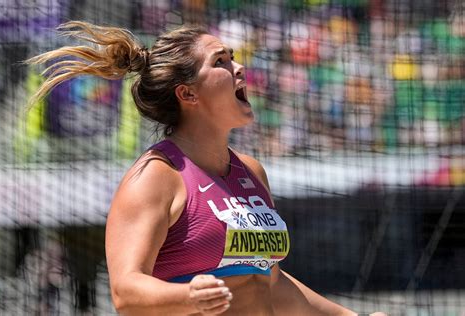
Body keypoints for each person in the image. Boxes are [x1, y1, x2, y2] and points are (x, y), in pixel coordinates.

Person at [27, 21, 387, 316]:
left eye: (233, 58)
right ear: (188, 95)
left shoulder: (251, 171)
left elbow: (269, 281)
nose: (239, 67)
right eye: (221, 62)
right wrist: (189, 297)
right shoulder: (157, 176)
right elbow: (126, 292)